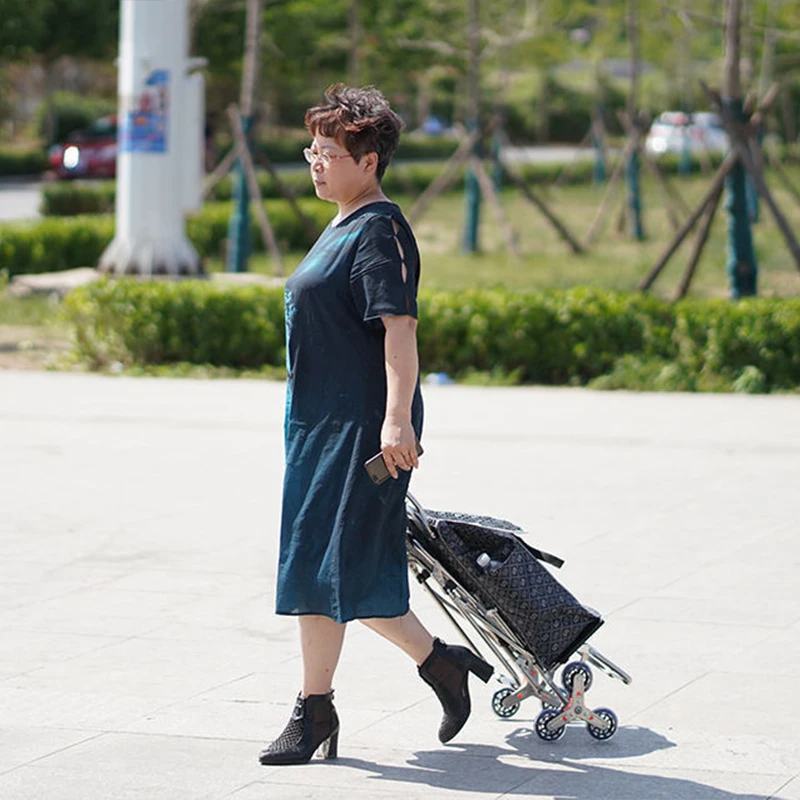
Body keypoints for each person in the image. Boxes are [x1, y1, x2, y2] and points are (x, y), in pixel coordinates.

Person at [259, 84, 493, 767]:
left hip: (365, 428)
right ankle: (352, 695)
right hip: (316, 425)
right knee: (311, 563)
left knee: (349, 568)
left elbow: (400, 331)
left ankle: (333, 704)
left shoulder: (380, 230)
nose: (316, 162)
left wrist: (396, 421)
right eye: (313, 149)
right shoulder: (340, 221)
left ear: (368, 160)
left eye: (330, 151)